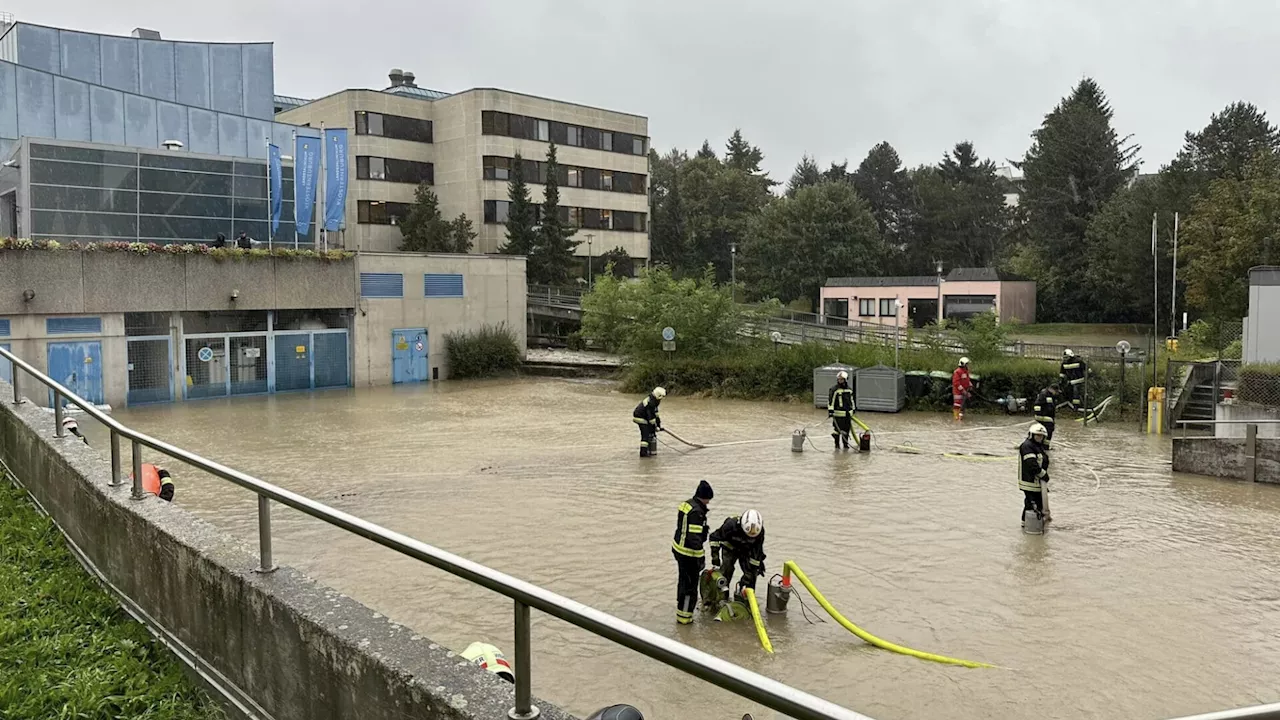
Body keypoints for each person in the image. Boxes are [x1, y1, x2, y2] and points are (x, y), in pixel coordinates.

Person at [672, 480, 713, 625]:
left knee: (683, 582)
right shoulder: (697, 512)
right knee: (690, 587)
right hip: (688, 554)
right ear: (704, 496)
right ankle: (685, 619)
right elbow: (694, 539)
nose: (708, 503)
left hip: (678, 549)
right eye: (708, 499)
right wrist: (701, 558)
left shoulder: (686, 505)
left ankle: (681, 611)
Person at [708, 509, 766, 600]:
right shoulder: (730, 526)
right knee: (726, 570)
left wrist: (756, 567)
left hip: (746, 550)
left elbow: (757, 551)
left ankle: (747, 599)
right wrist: (715, 557)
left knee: (751, 575)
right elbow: (714, 538)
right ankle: (721, 597)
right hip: (730, 547)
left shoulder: (760, 533)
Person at [1019, 423, 1050, 525]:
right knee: (1032, 505)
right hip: (1030, 482)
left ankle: (1033, 525)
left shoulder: (1038, 446)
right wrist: (1044, 475)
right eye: (1037, 435)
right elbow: (1032, 465)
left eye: (1041, 436)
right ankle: (1028, 527)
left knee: (1038, 504)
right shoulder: (1027, 446)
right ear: (1032, 435)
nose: (1039, 437)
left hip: (1037, 483)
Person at [632, 387, 665, 458]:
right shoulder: (650, 403)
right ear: (658, 395)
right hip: (640, 418)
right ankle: (643, 454)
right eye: (661, 397)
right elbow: (651, 418)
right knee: (645, 435)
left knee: (650, 434)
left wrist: (658, 425)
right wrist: (654, 428)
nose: (661, 399)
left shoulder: (654, 401)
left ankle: (648, 450)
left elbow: (656, 415)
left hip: (645, 418)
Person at [827, 371, 855, 450]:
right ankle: (837, 446)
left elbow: (852, 400)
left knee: (846, 430)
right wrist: (830, 411)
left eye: (842, 379)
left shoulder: (849, 390)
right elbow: (830, 401)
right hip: (838, 414)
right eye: (839, 379)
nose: (840, 381)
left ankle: (845, 445)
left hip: (847, 414)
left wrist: (853, 409)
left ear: (845, 380)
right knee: (837, 430)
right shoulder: (834, 389)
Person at [952, 357, 973, 422]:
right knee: (957, 404)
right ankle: (956, 418)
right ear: (963, 364)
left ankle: (960, 418)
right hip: (958, 392)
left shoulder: (965, 371)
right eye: (967, 364)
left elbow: (967, 380)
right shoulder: (957, 372)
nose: (968, 365)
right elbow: (956, 383)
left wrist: (970, 385)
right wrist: (963, 390)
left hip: (965, 391)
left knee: (963, 405)